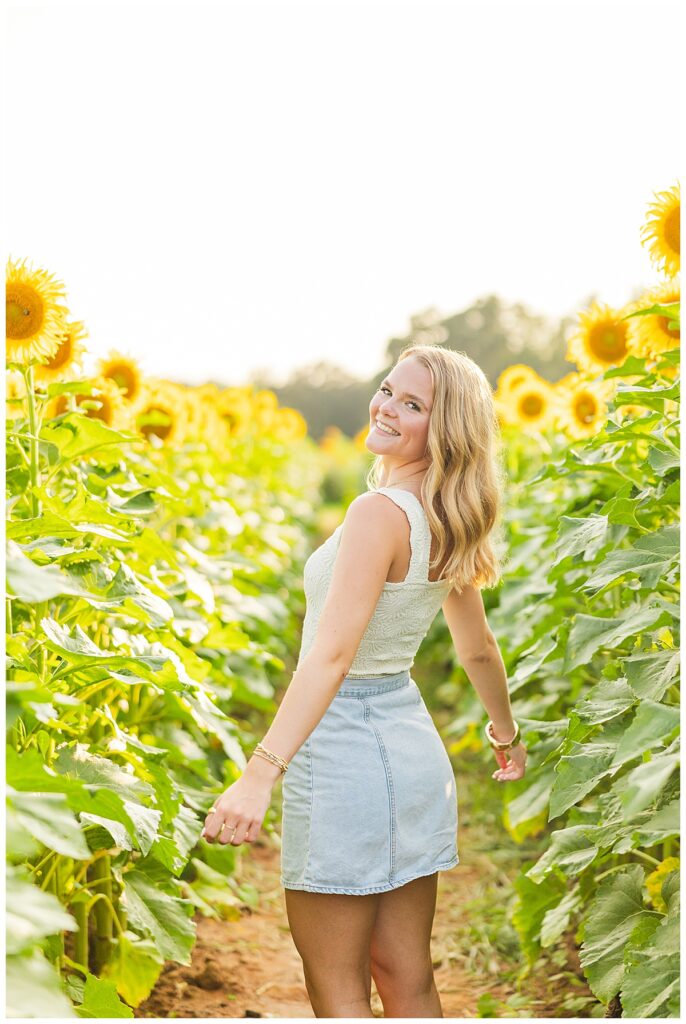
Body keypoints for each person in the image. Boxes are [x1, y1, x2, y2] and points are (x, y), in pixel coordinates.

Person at [202, 344, 527, 1017]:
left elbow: (331, 656)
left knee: (337, 985)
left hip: (344, 756)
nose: (386, 407)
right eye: (389, 390)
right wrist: (507, 732)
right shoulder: (446, 517)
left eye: (414, 405)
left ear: (446, 430)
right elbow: (477, 650)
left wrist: (260, 772)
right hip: (410, 757)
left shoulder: (376, 515)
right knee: (408, 976)